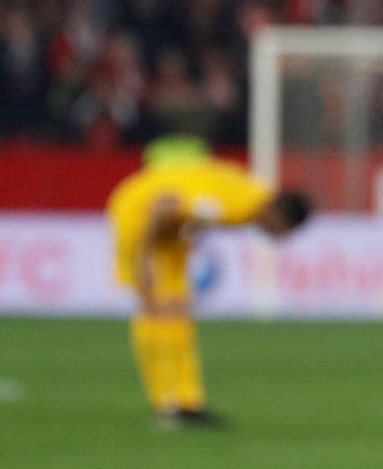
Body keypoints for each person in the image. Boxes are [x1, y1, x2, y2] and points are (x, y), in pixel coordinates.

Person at [109, 155, 311, 427]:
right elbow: (161, 209)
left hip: (171, 230)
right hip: (139, 213)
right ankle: (166, 402)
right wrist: (144, 260)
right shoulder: (235, 205)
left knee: (177, 312)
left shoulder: (256, 198)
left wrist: (189, 234)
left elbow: (193, 207)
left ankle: (187, 402)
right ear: (274, 212)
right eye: (279, 230)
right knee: (155, 308)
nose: (275, 237)